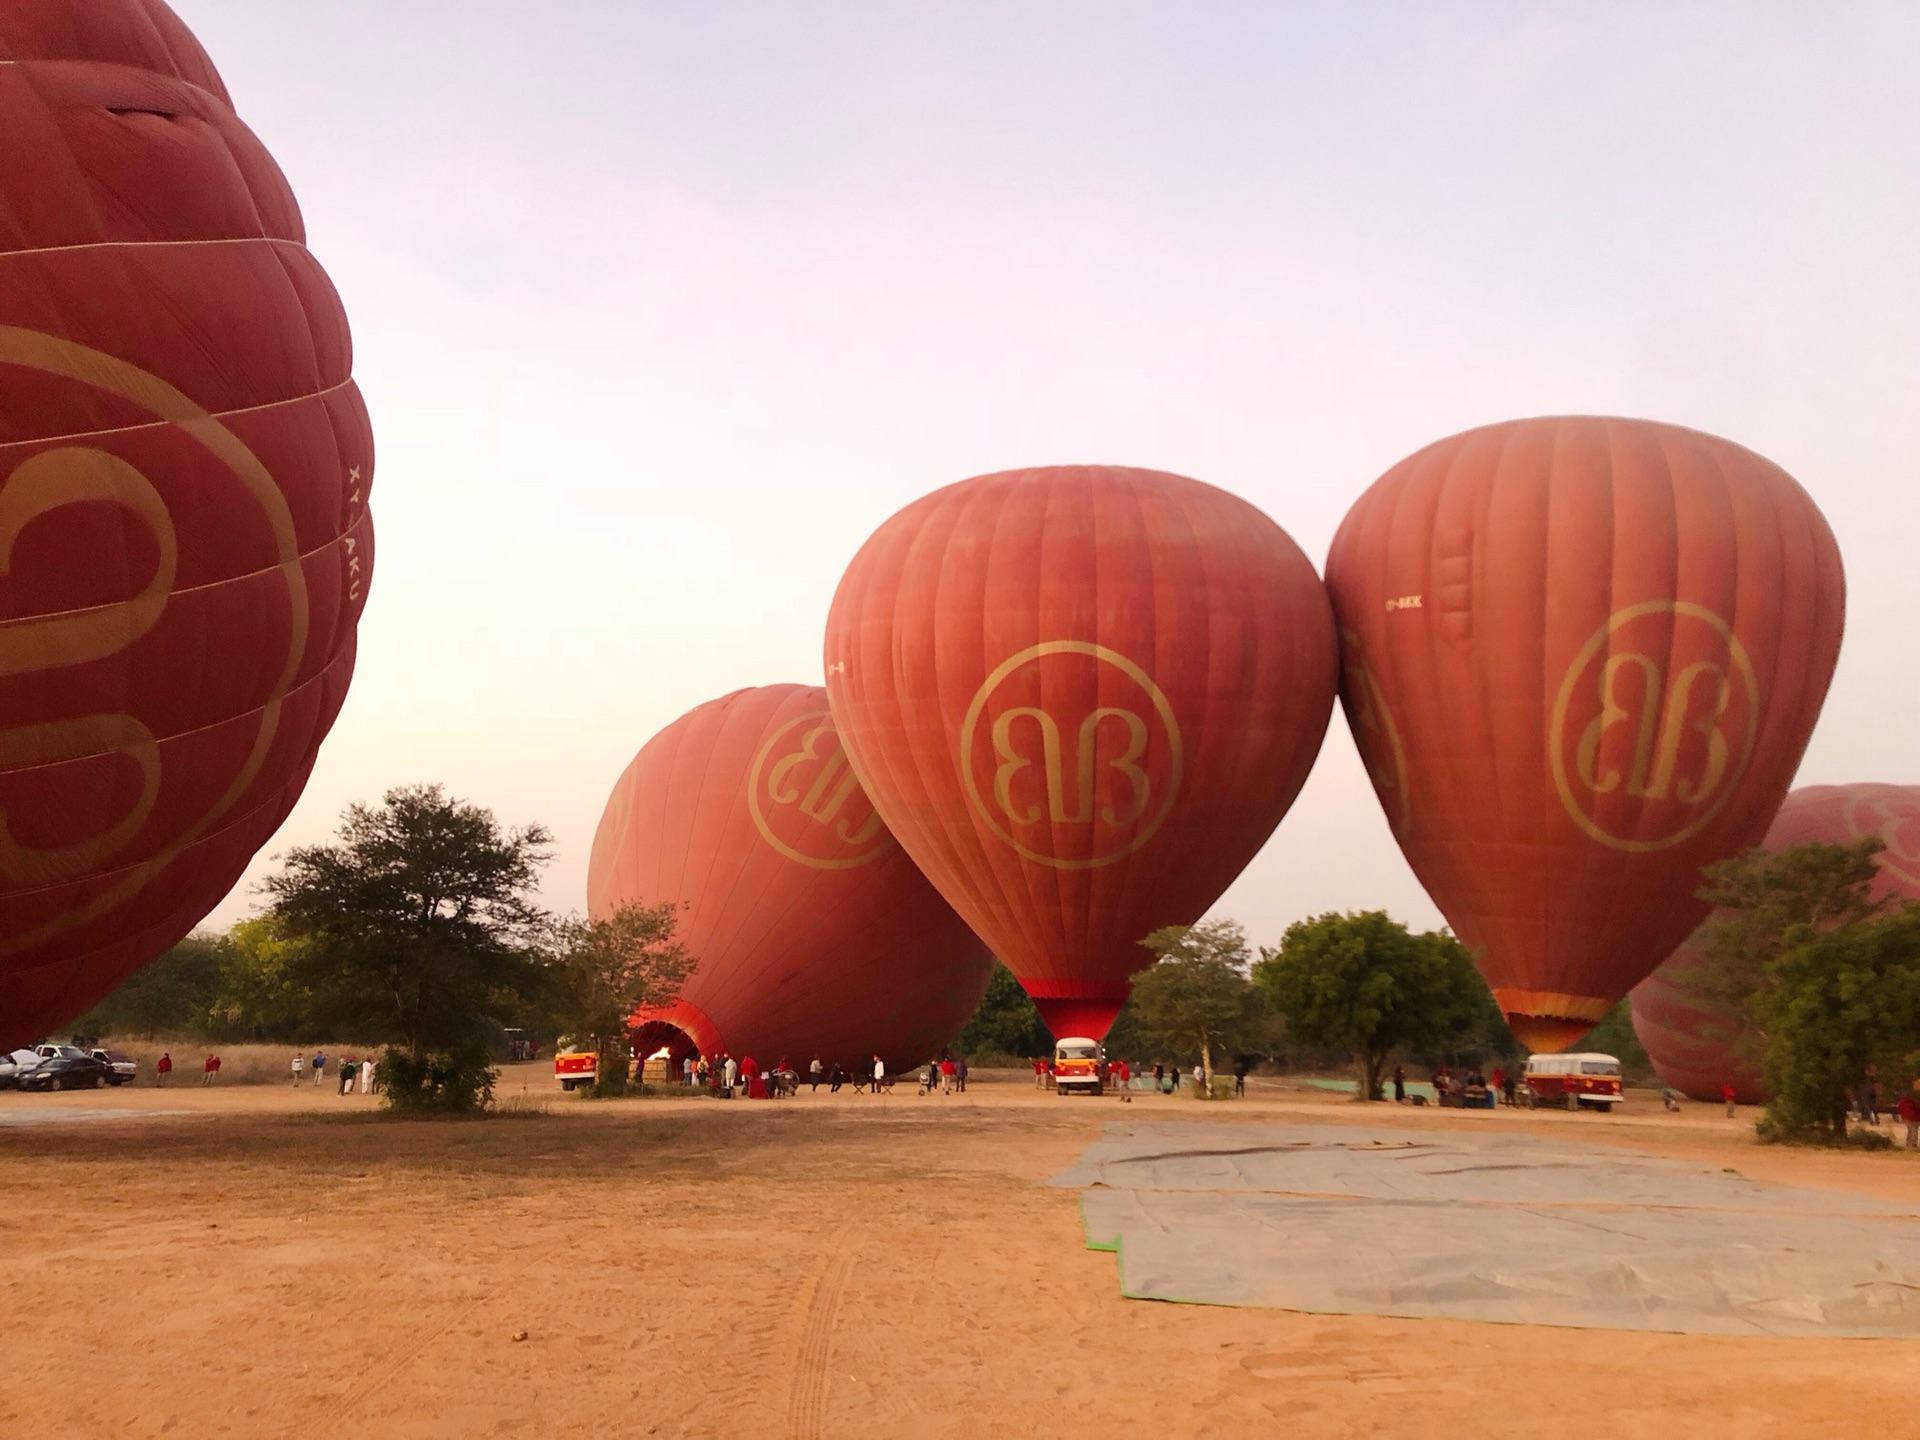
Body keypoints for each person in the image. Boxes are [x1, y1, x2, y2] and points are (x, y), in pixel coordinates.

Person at [1898, 1081, 1920, 1151]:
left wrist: (1902, 1115)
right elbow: (1917, 1107)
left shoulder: (1904, 1099)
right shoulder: (1914, 1099)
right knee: (1914, 1130)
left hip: (1907, 1117)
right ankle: (1912, 1144)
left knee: (1910, 1130)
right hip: (1915, 1117)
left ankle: (1909, 1143)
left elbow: (1900, 1107)